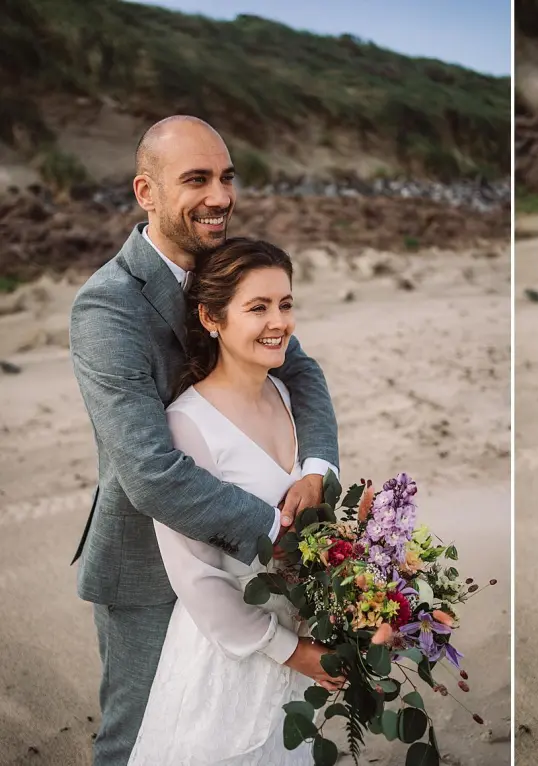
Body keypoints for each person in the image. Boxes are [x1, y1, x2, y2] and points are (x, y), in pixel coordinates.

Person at [69, 116, 339, 765]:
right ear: (147, 192)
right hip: (144, 569)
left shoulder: (229, 270)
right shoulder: (107, 308)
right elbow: (150, 471)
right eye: (197, 179)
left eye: (226, 177)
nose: (220, 196)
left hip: (242, 570)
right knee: (138, 740)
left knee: (255, 717)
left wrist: (317, 469)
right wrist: (282, 538)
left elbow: (301, 370)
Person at [128, 238, 340, 763]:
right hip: (230, 661)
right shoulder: (186, 425)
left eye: (286, 304)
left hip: (301, 648)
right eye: (258, 307)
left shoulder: (286, 395)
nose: (280, 322)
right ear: (211, 317)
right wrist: (293, 653)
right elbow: (197, 580)